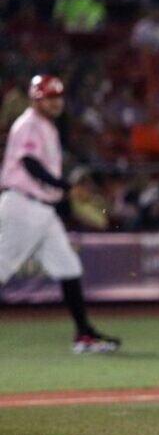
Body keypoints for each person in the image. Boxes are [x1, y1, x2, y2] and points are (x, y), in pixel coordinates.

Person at [0, 75, 121, 354]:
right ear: (35, 99)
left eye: (58, 97)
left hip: (43, 210)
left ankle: (84, 336)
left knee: (69, 268)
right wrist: (66, 187)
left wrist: (63, 194)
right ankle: (84, 335)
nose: (55, 102)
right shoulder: (28, 124)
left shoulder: (46, 127)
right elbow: (29, 164)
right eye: (48, 97)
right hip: (23, 206)